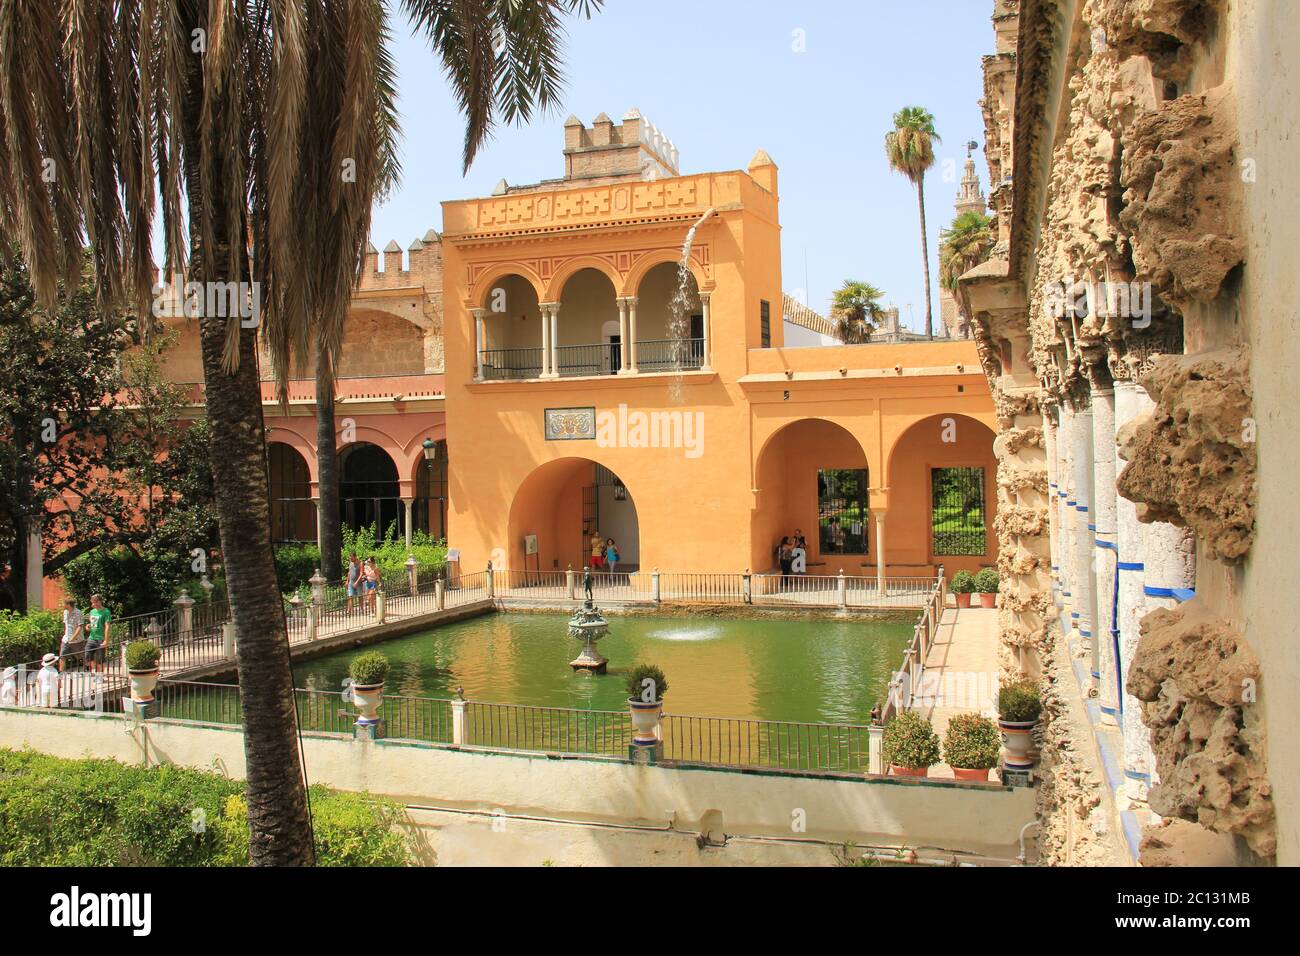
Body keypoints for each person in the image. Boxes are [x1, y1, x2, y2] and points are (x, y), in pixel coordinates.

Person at [84, 594, 111, 674]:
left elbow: (107, 626)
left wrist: (106, 640)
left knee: (100, 660)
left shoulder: (106, 612)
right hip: (91, 638)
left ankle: (99, 676)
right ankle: (96, 671)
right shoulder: (92, 611)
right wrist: (88, 626)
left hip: (101, 638)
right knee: (87, 656)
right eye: (92, 602)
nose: (93, 605)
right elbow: (92, 624)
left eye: (94, 602)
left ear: (99, 602)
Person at [59, 598, 84, 672]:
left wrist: (73, 637)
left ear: (68, 605)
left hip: (77, 640)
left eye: (64, 604)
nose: (62, 605)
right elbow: (66, 624)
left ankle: (87, 669)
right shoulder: (65, 612)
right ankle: (61, 673)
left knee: (81, 656)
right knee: (62, 656)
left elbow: (80, 626)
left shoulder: (78, 613)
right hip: (66, 639)